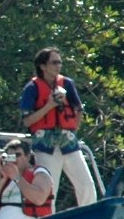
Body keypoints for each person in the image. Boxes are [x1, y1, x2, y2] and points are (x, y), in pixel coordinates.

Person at [19, 47, 96, 207]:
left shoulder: (67, 83)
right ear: (43, 66)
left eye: (60, 62)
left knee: (86, 185)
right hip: (45, 145)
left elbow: (78, 109)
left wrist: (73, 128)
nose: (58, 66)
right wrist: (49, 105)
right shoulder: (32, 88)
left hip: (69, 143)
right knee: (49, 189)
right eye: (54, 62)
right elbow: (27, 121)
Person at [0, 140, 54, 219]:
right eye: (11, 156)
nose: (14, 159)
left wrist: (17, 177)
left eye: (18, 155)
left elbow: (39, 198)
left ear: (27, 157)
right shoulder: (6, 178)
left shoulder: (39, 172)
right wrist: (2, 177)